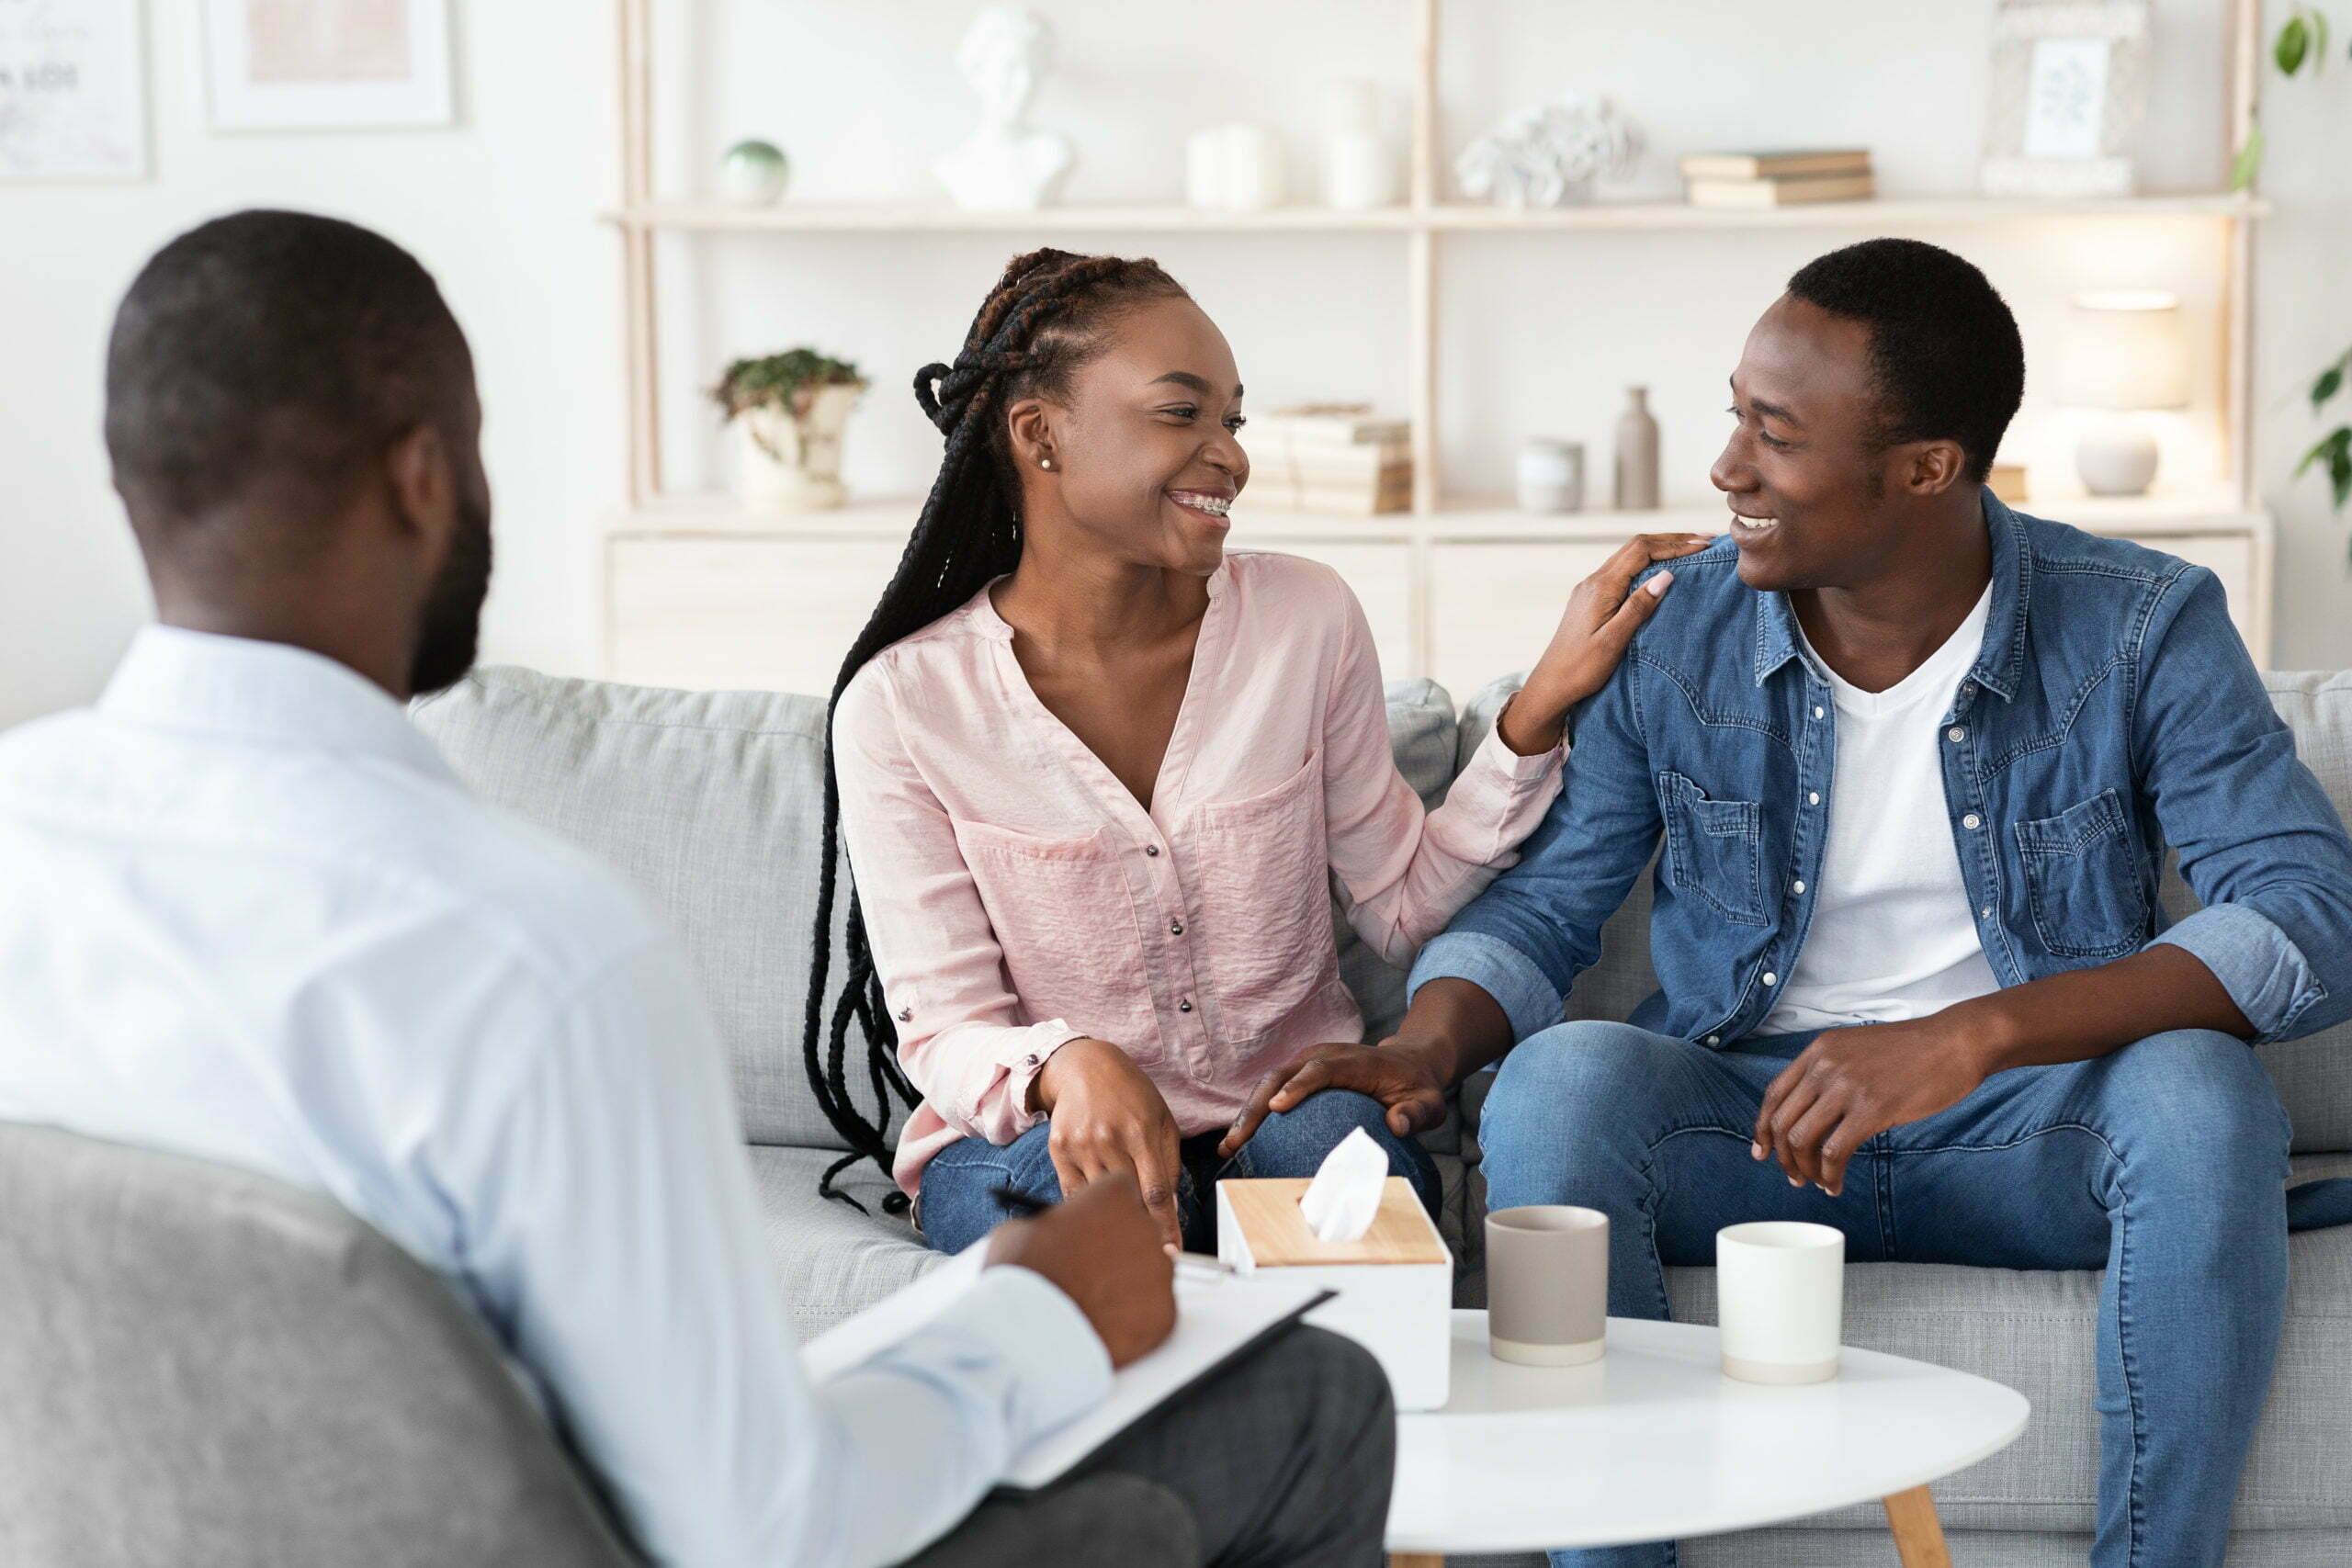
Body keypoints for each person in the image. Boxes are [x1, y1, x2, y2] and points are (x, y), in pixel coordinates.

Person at [0, 209, 1396, 1568]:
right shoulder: (534, 957)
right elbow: (768, 1525)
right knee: (1317, 1401)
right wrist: (1041, 1315)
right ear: (426, 479)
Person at [1231, 238, 2352, 1568]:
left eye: (1774, 434)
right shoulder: (1678, 628)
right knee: (1559, 1084)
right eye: (1734, 418)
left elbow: (2306, 909)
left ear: (1925, 466)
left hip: (2029, 1126)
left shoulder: (2141, 624)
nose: (1726, 469)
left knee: (2200, 1094)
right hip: (1750, 1126)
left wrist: (1971, 1035)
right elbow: (1549, 905)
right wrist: (1426, 1044)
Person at [808, 246, 1709, 1253]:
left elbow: (1402, 907)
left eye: (1232, 422)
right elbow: (945, 1027)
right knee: (1061, 1217)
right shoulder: (903, 705)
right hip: (1042, 1136)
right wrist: (1066, 1064)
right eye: (1179, 413)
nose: (1230, 456)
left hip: (1286, 1113)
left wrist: (1535, 709)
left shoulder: (1304, 619)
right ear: (1039, 435)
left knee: (1344, 1176)